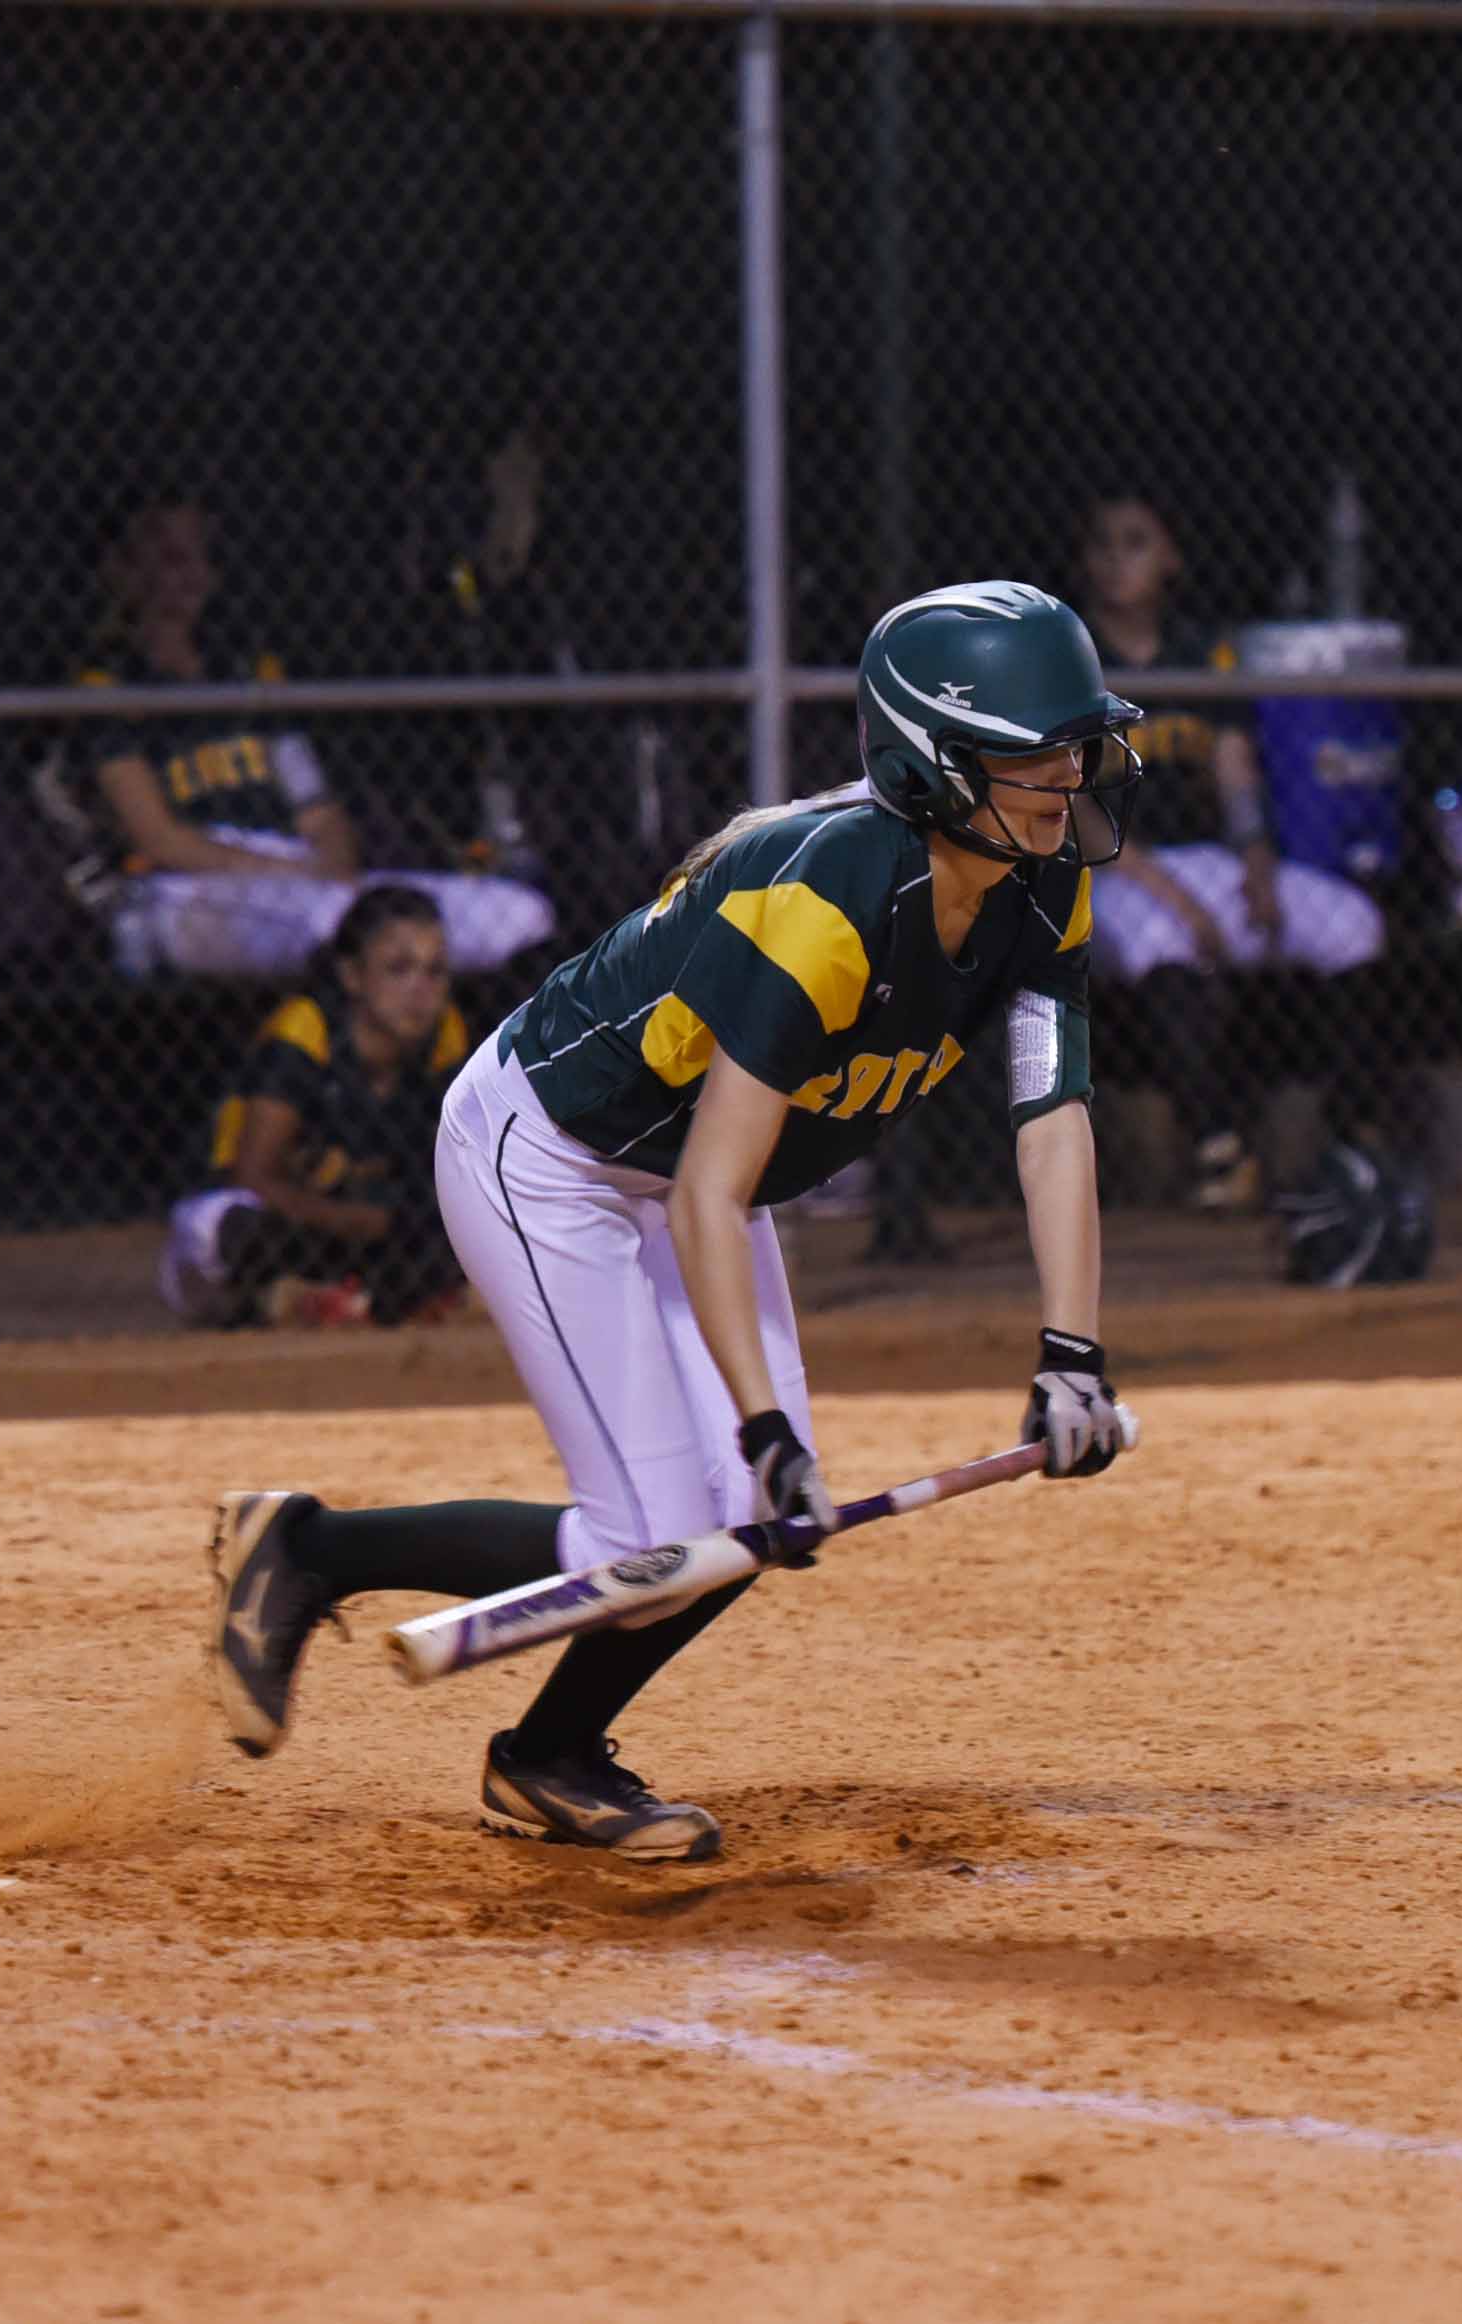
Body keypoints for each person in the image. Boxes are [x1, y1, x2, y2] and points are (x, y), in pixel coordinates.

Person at [200, 581, 1141, 1861]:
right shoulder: (825, 903)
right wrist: (762, 1426)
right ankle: (308, 1546)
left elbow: (1052, 1116)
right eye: (1037, 752)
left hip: (690, 1179)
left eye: (1079, 744)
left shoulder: (1041, 880)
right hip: (554, 1156)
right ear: (934, 763)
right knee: (656, 1531)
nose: (1071, 775)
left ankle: (548, 1755)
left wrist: (1071, 1355)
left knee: (743, 1522)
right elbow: (709, 1189)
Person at [74, 492, 556, 979]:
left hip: (300, 873)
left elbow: (318, 811)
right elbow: (158, 839)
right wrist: (291, 875)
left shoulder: (246, 669)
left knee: (521, 914)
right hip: (185, 890)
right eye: (168, 555)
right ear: (123, 570)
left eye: (198, 555)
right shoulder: (108, 684)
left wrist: (327, 866)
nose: (189, 572)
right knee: (341, 927)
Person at [1073, 490, 1384, 1209]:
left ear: (1170, 559)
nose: (1117, 561)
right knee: (1161, 941)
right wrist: (1175, 898)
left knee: (1353, 925)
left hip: (1206, 861)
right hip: (1109, 872)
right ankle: (1219, 1146)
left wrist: (1257, 865)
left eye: (1136, 543)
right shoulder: (1068, 661)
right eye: (1103, 544)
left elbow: (1234, 769)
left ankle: (1351, 1139)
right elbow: (1071, 809)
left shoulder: (1201, 655)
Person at [158, 885, 471, 1330]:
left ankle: (326, 1302)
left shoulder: (444, 1036)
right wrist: (353, 1222)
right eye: (398, 969)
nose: (421, 990)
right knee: (222, 1224)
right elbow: (252, 1178)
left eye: (435, 971)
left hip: (367, 1235)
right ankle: (288, 1298)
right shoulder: (308, 1029)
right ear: (352, 975)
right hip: (275, 1226)